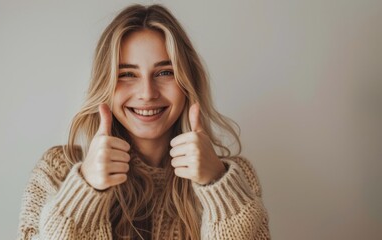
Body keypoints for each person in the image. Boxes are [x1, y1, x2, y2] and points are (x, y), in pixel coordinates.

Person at [17, 4, 270, 240]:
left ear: (187, 82)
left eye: (164, 72)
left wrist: (218, 186)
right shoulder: (56, 172)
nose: (147, 93)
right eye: (127, 74)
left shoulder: (235, 179)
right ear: (105, 84)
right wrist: (85, 189)